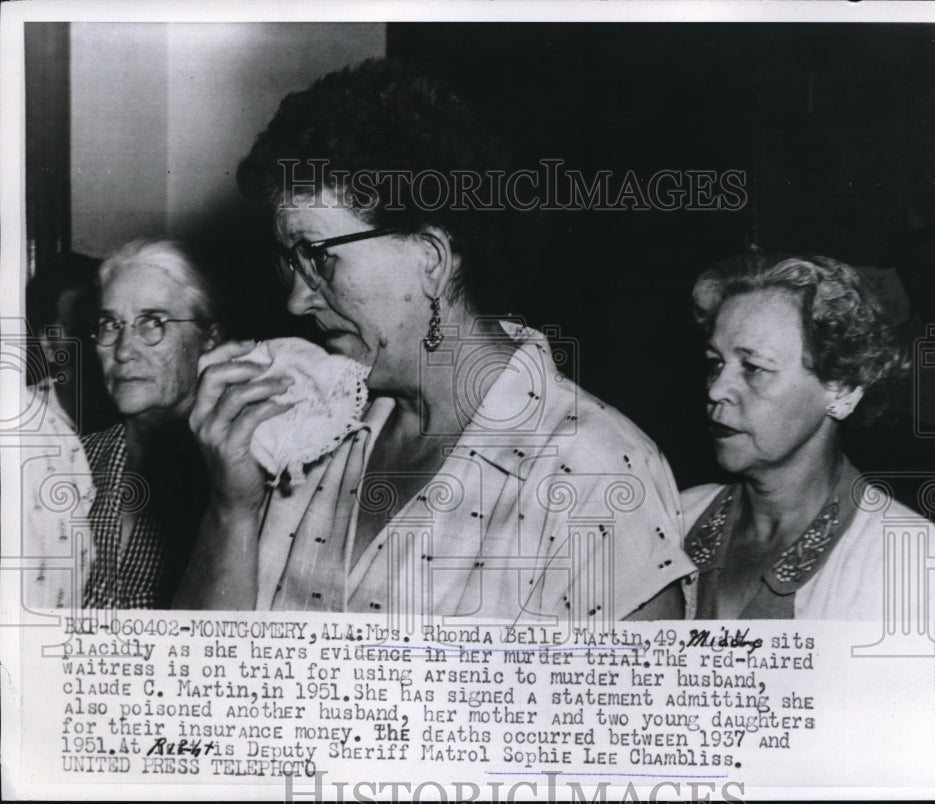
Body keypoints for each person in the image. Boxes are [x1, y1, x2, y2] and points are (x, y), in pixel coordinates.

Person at [175, 58, 694, 618]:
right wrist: (232, 509)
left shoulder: (597, 472)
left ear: (431, 259)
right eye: (289, 263)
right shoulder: (306, 430)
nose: (296, 301)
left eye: (320, 259)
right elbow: (199, 680)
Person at [676, 253, 935, 619]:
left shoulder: (914, 565)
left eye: (754, 368)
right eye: (715, 363)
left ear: (841, 389)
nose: (717, 389)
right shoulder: (675, 521)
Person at [83, 239, 222, 608]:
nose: (124, 350)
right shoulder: (72, 461)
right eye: (110, 324)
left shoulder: (234, 479)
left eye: (152, 323)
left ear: (209, 339)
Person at [21, 255, 102, 609]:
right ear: (51, 345)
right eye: (90, 330)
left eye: (112, 324)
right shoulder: (30, 438)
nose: (112, 344)